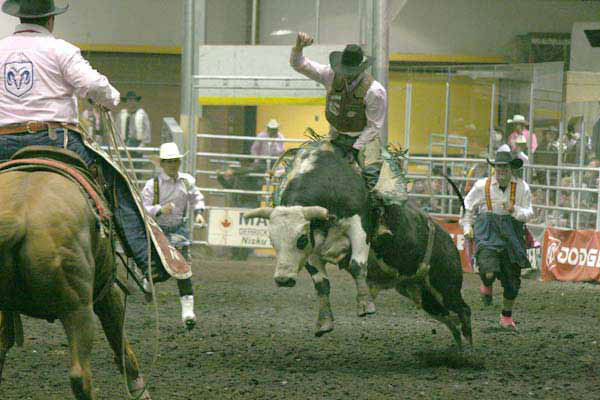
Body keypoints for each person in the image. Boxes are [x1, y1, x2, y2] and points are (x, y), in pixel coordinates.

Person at [0, 0, 192, 328]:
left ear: (18, 16)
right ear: (50, 18)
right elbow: (92, 86)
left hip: (3, 144)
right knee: (115, 184)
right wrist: (111, 98)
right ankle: (146, 259)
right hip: (54, 140)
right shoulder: (60, 49)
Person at [289, 32, 403, 204]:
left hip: (364, 141)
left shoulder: (374, 91)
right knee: (306, 166)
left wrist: (355, 148)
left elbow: (373, 126)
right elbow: (300, 64)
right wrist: (298, 48)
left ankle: (380, 218)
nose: (344, 74)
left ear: (360, 69)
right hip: (335, 137)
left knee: (373, 180)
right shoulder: (329, 75)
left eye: (349, 71)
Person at [461, 148, 533, 330]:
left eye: (505, 168)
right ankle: (486, 283)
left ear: (511, 169)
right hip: (488, 232)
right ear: (494, 169)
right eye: (498, 167)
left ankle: (506, 316)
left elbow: (529, 213)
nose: (501, 171)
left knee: (512, 281)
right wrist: (467, 226)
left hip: (512, 235)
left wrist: (514, 209)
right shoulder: (481, 186)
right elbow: (467, 207)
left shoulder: (522, 187)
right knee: (488, 269)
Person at [142, 142, 204, 328]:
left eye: (175, 161)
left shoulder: (187, 181)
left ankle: (188, 313)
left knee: (183, 269)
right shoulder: (152, 185)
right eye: (169, 162)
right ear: (162, 163)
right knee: (160, 271)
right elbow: (143, 209)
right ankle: (148, 280)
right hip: (158, 232)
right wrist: (160, 209)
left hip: (179, 230)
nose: (172, 165)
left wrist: (199, 212)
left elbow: (196, 197)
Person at [217, 157, 264, 260]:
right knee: (236, 229)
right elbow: (229, 186)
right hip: (239, 203)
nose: (242, 163)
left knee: (245, 230)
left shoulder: (253, 172)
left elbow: (254, 170)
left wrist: (233, 172)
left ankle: (242, 254)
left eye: (245, 161)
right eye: (241, 161)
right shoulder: (239, 174)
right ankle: (236, 253)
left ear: (249, 162)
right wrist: (220, 177)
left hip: (249, 203)